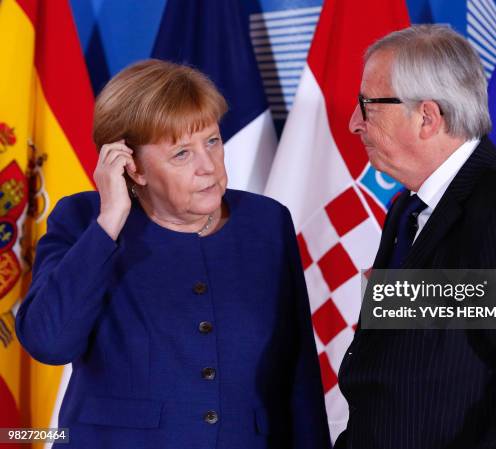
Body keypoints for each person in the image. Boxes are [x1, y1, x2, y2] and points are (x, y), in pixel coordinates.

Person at [16, 59, 331, 449]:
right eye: (181, 154)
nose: (208, 167)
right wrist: (109, 221)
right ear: (133, 168)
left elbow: (296, 367)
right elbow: (48, 342)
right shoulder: (84, 220)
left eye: (212, 141)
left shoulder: (266, 223)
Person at [334, 25, 496, 449]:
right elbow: (397, 370)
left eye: (367, 106)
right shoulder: (407, 210)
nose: (353, 123)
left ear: (427, 117)